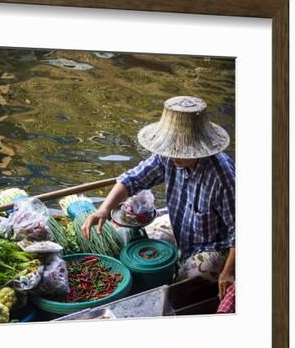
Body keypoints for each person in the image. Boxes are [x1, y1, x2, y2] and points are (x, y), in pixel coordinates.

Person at [82, 96, 235, 299]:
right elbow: (132, 179)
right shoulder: (169, 156)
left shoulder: (222, 177)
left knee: (186, 282)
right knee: (140, 240)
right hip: (183, 232)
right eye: (171, 151)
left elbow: (240, 232)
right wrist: (103, 209)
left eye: (181, 153)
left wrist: (228, 272)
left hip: (218, 247)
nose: (173, 157)